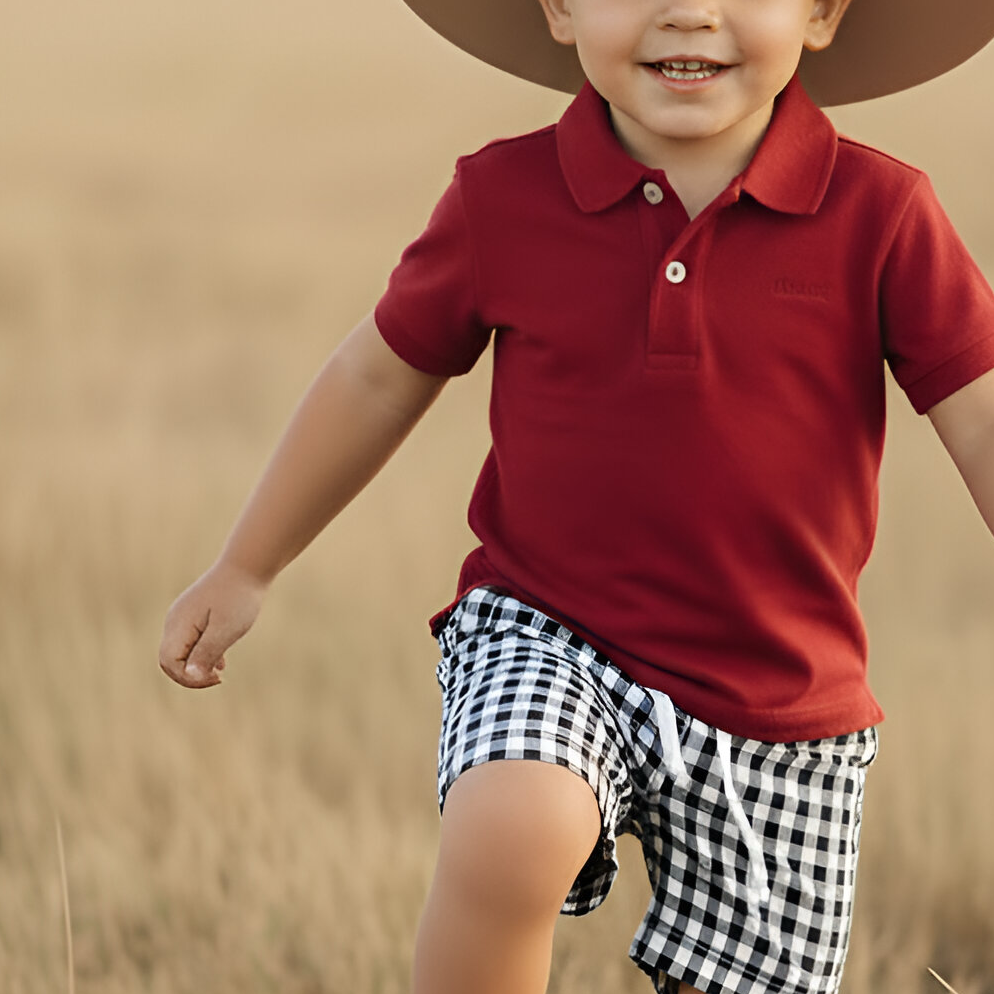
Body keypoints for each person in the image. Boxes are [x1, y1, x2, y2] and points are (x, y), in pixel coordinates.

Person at [159, 0, 994, 991]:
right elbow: (377, 376)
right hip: (553, 633)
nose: (689, 11)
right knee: (514, 820)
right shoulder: (502, 197)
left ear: (819, 11)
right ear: (557, 5)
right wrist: (248, 563)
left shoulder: (883, 214)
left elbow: (978, 414)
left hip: (784, 692)